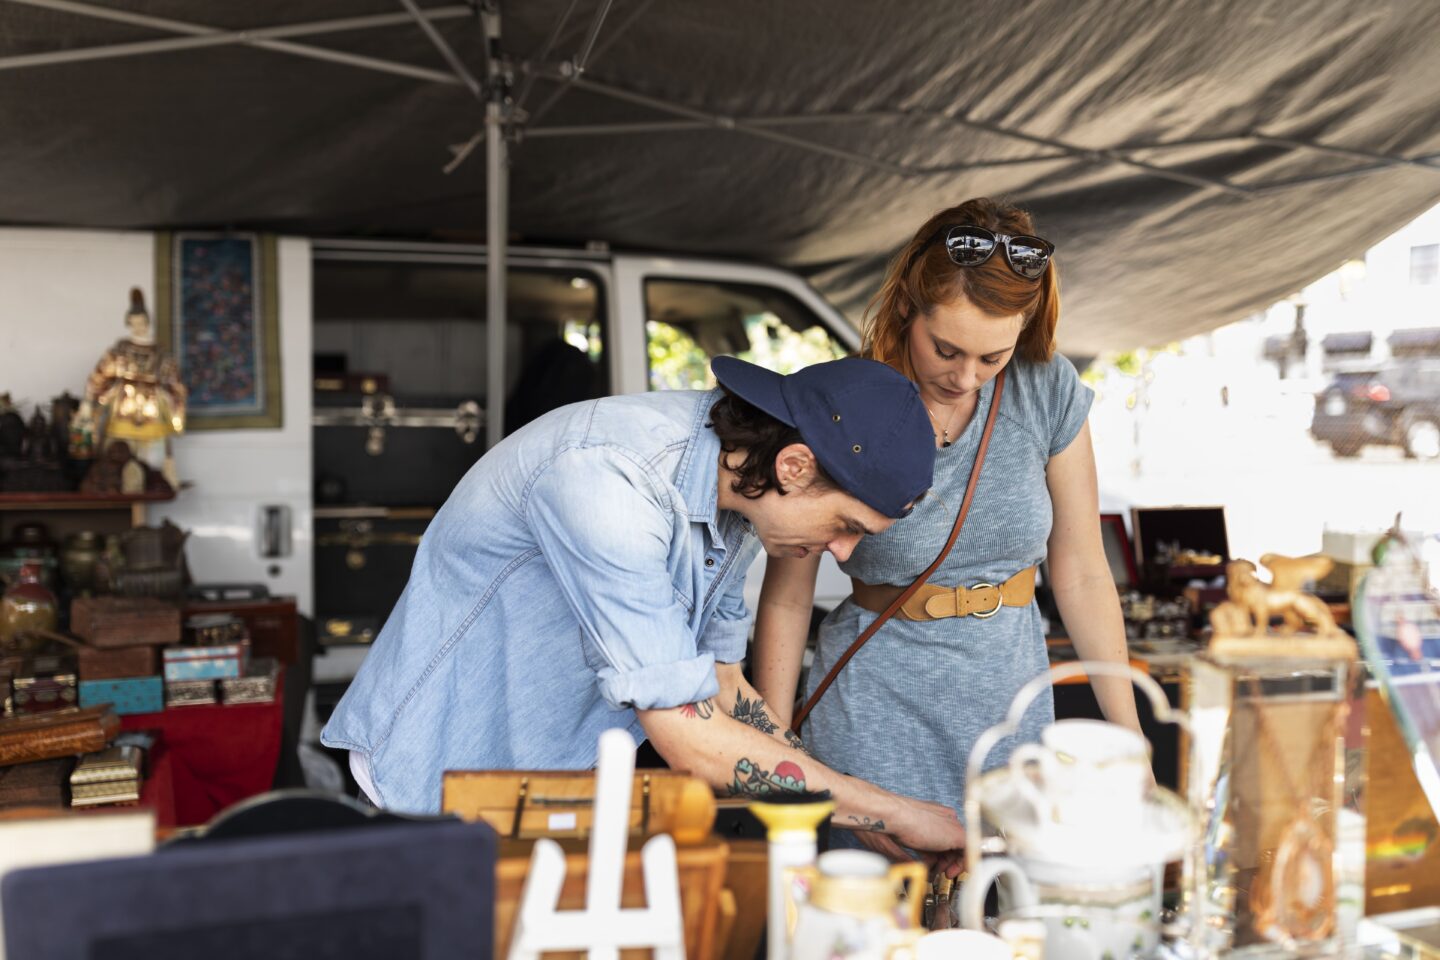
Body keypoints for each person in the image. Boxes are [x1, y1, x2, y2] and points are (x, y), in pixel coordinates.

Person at [322, 354, 968, 861]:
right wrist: (888, 809)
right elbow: (690, 738)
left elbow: (719, 685)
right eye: (847, 523)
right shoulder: (608, 480)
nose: (845, 551)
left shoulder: (742, 491)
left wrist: (855, 810)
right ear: (797, 465)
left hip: (547, 783)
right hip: (435, 782)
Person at [751, 198, 1143, 859]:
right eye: (947, 349)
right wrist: (774, 750)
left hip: (1010, 711)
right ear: (908, 306)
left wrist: (1131, 746)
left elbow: (1080, 574)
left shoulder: (1048, 389)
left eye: (993, 357)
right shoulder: (849, 399)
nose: (966, 378)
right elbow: (788, 594)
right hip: (872, 716)